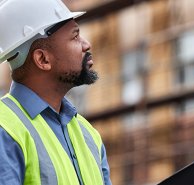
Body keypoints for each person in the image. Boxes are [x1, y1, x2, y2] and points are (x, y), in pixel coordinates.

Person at [0, 0, 111, 184]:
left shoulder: (89, 134)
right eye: (75, 37)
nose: (87, 44)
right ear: (43, 59)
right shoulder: (5, 131)